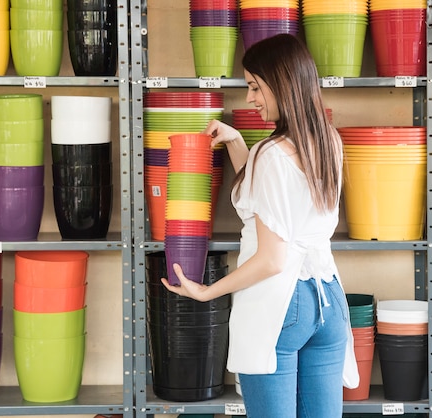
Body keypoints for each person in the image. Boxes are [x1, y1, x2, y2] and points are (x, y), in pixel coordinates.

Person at [161, 33, 359, 418]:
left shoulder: (271, 154)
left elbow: (271, 259)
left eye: (255, 87)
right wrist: (237, 143)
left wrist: (207, 292)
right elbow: (275, 201)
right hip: (329, 300)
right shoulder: (327, 141)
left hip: (281, 305)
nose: (250, 98)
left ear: (282, 84)